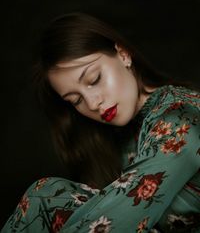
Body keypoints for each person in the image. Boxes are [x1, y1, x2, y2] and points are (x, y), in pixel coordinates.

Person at [2, 12, 200, 233]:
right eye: (76, 100)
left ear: (123, 54)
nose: (93, 103)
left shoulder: (180, 117)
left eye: (94, 79)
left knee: (44, 196)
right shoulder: (119, 140)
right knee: (47, 197)